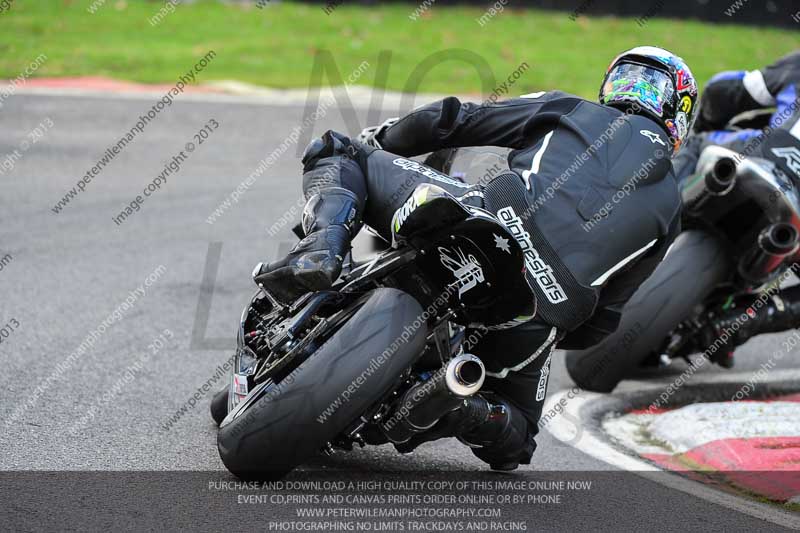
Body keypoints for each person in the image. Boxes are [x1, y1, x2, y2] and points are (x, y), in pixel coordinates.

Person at [253, 46, 697, 470]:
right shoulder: (671, 207)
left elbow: (455, 120)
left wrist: (385, 140)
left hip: (488, 221)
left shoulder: (573, 109)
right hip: (544, 306)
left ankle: (322, 248)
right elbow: (605, 319)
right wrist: (550, 327)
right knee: (517, 442)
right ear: (679, 114)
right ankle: (462, 406)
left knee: (338, 150)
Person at [673, 50, 800, 183]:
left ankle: (663, 195)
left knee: (695, 143)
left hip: (780, 148)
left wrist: (701, 124)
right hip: (783, 157)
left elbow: (722, 90)